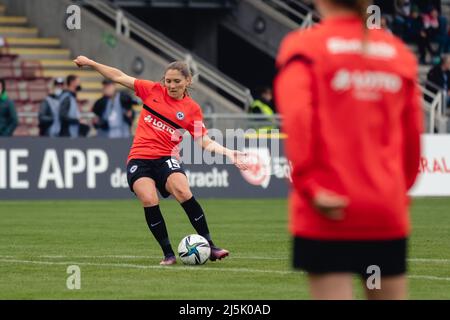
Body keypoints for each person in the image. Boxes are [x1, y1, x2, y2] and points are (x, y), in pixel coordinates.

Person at [275, 0, 423, 299]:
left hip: (328, 208)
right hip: (383, 210)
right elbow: (412, 139)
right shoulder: (398, 54)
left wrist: (309, 185)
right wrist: (393, 192)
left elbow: (299, 120)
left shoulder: (306, 46)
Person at [73, 55, 249, 265]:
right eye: (168, 81)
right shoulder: (152, 90)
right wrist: (92, 64)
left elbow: (205, 142)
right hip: (139, 158)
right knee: (149, 199)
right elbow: (119, 76)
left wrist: (229, 153)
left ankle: (211, 246)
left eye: (177, 81)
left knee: (183, 192)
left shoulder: (192, 109)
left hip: (165, 158)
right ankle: (168, 254)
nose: (172, 85)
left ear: (188, 81)